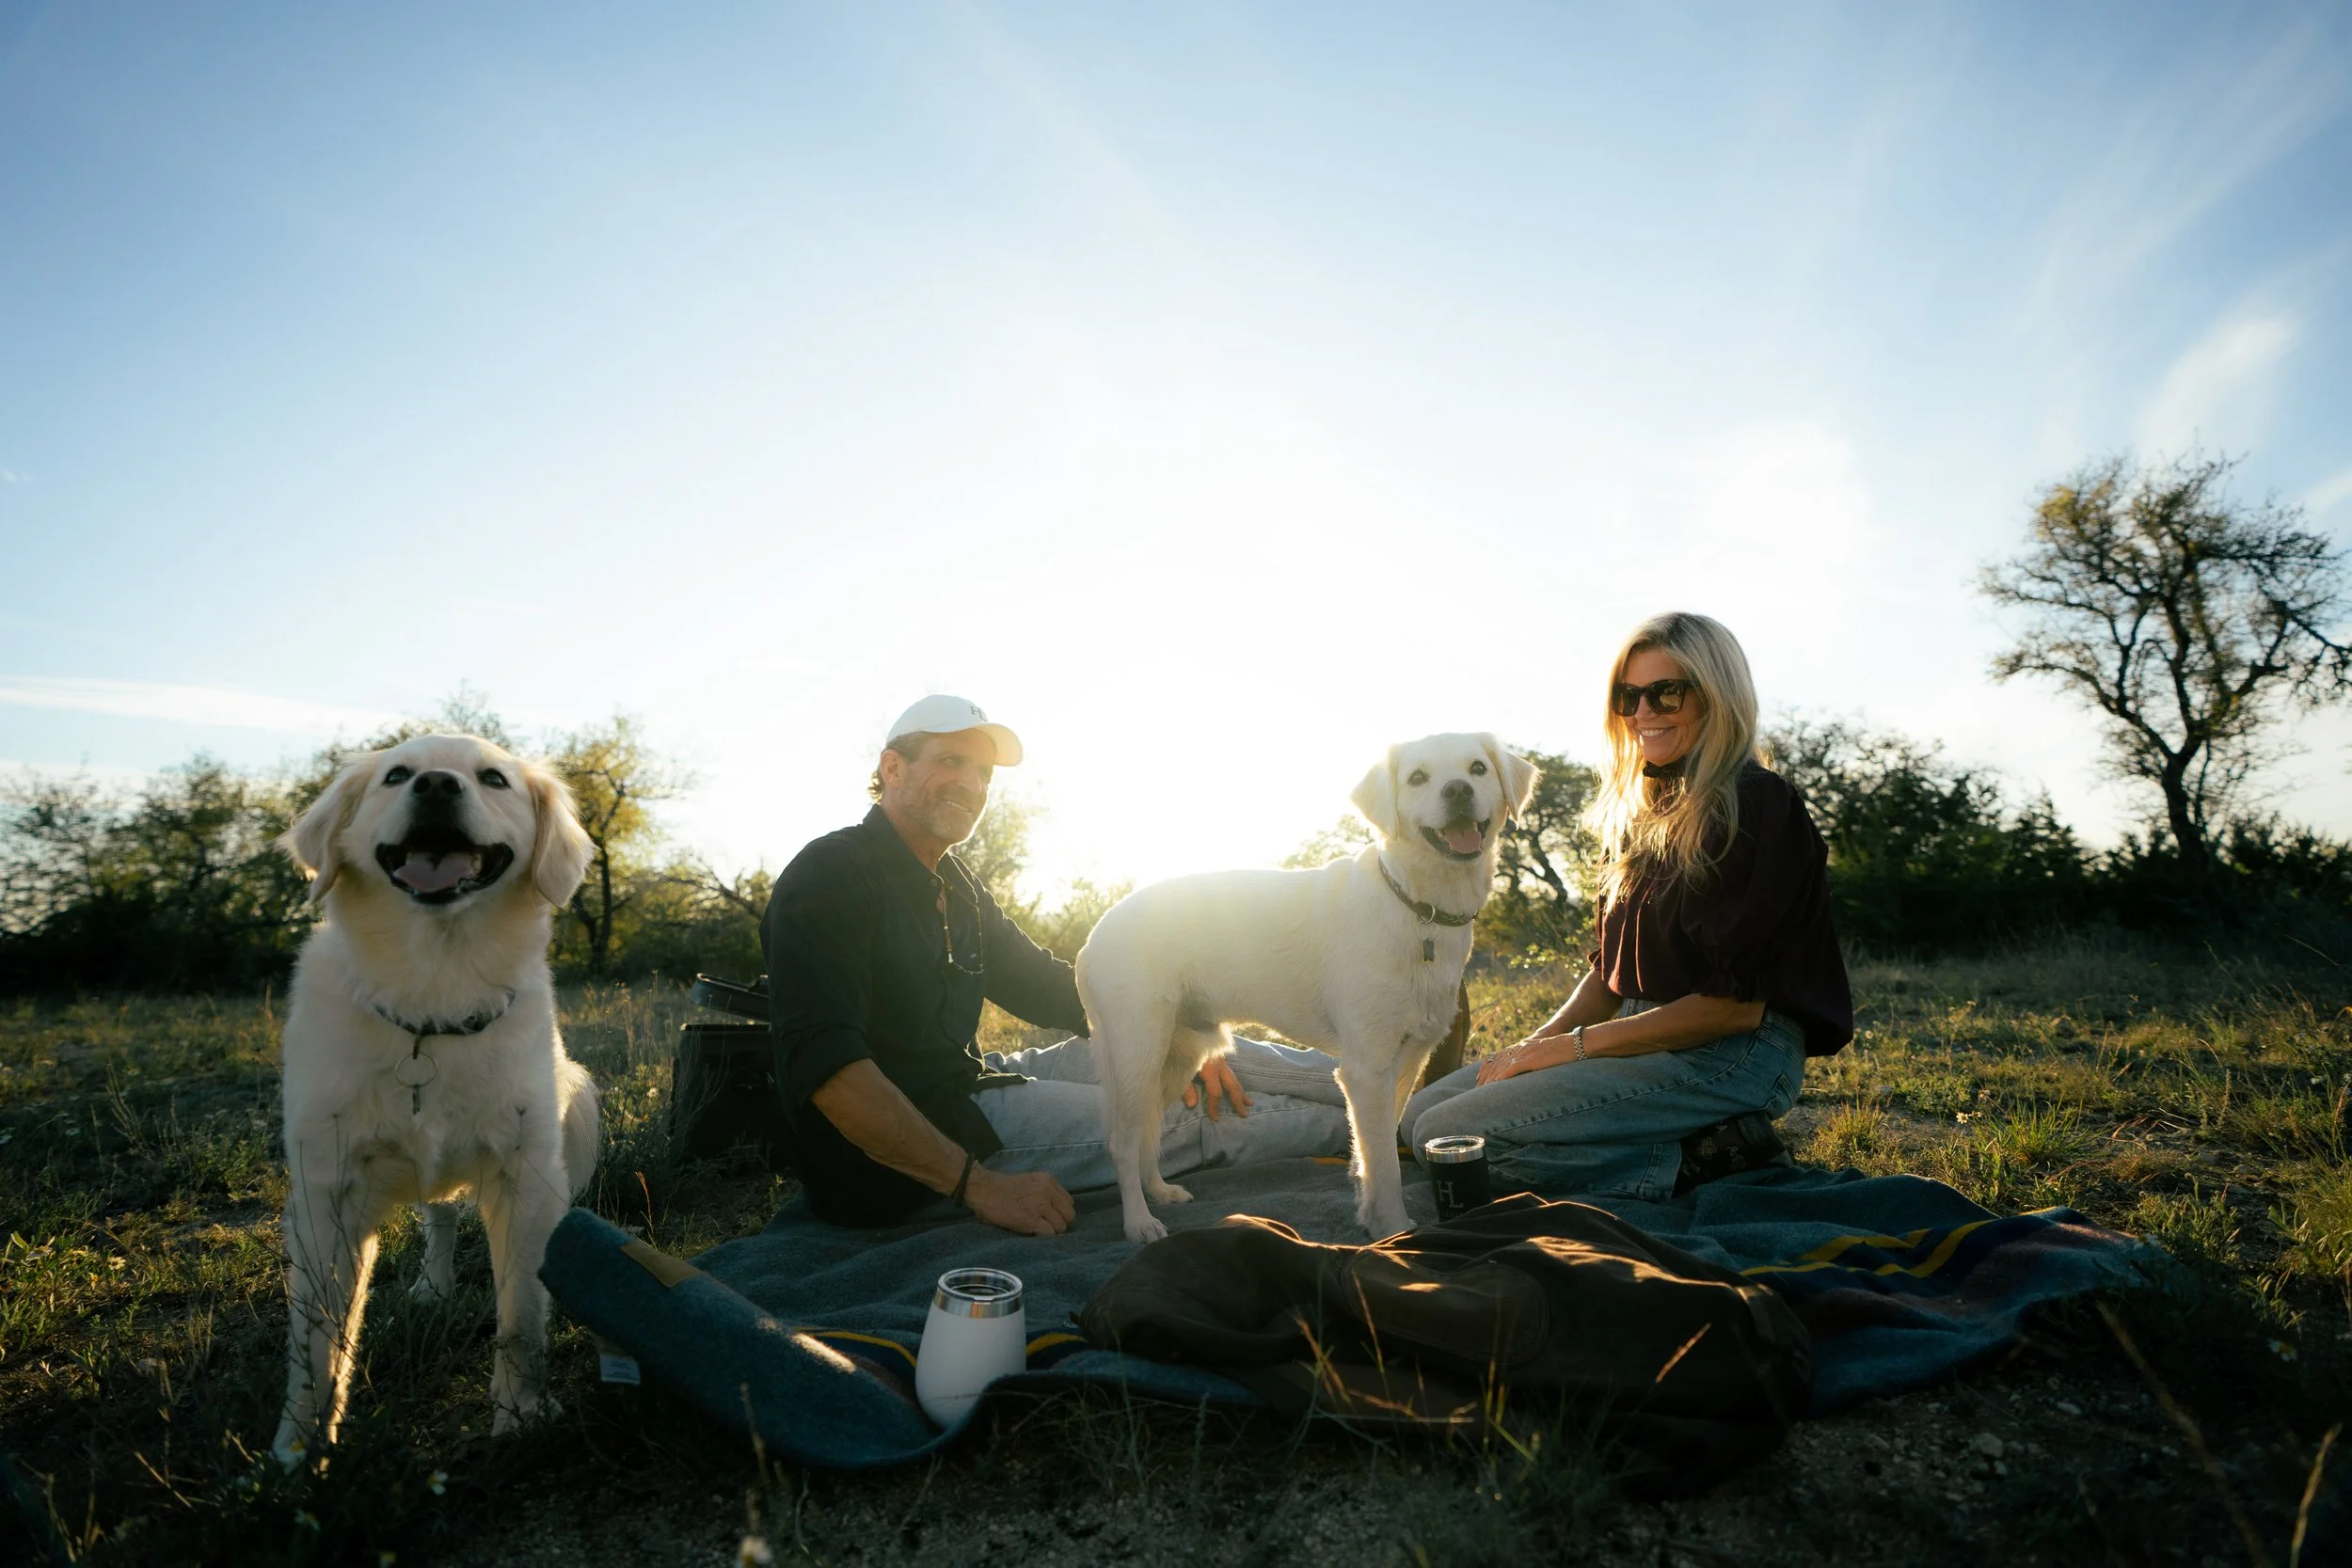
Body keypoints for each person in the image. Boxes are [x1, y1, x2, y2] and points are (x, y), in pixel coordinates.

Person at [763, 695, 1353, 1235]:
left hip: (979, 1076)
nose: (971, 784)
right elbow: (832, 1075)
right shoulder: (831, 877)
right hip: (930, 1140)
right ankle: (1386, 1131)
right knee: (1182, 1117)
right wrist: (978, 1186)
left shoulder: (956, 884)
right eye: (951, 761)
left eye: (983, 773)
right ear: (893, 769)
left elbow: (1051, 984)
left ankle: (1386, 1082)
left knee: (1218, 1049)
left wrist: (1170, 1029)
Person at [1402, 612, 1851, 1199]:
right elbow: (1608, 978)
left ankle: (1698, 1164)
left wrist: (1571, 1050)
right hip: (1642, 1034)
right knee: (1420, 1117)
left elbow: (1731, 1010)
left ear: (1716, 697)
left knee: (1451, 1137)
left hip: (1733, 1052)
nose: (1644, 713)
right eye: (1628, 696)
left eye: (1667, 692)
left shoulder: (1755, 804)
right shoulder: (1640, 814)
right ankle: (1676, 1147)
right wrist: (1533, 1047)